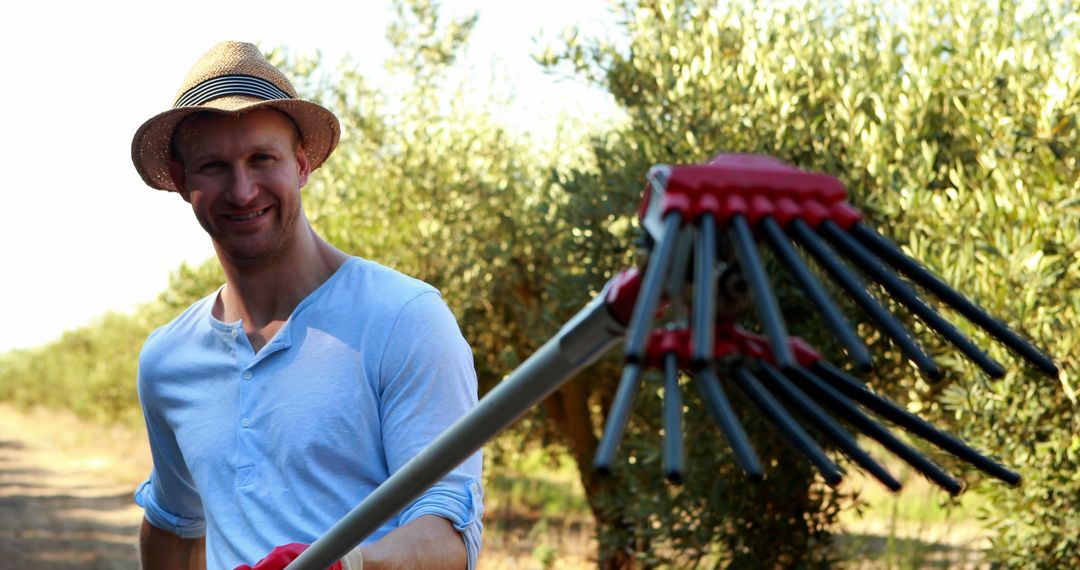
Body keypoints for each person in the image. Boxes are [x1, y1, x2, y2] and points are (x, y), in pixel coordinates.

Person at [129, 41, 483, 570]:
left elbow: (450, 534)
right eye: (213, 166)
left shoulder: (403, 318)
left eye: (261, 159)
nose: (243, 190)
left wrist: (346, 565)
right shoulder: (168, 360)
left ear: (301, 165)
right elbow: (176, 526)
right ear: (183, 183)